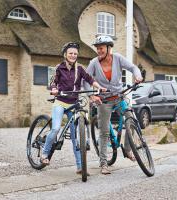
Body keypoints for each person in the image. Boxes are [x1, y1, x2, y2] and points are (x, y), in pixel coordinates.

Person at [41, 42, 105, 175]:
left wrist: (98, 87)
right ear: (65, 54)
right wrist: (54, 89)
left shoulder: (80, 69)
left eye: (75, 53)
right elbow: (53, 81)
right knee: (56, 128)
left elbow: (89, 79)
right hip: (60, 101)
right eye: (70, 53)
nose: (73, 55)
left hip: (73, 104)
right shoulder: (59, 68)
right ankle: (44, 154)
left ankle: (80, 167)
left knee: (76, 136)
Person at [84, 35, 143, 175]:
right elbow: (85, 80)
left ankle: (128, 149)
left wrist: (138, 75)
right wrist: (92, 96)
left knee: (131, 119)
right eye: (97, 48)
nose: (99, 50)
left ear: (109, 48)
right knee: (104, 132)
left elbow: (133, 67)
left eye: (101, 48)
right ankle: (104, 163)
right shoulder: (93, 63)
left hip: (119, 97)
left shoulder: (117, 58)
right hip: (103, 100)